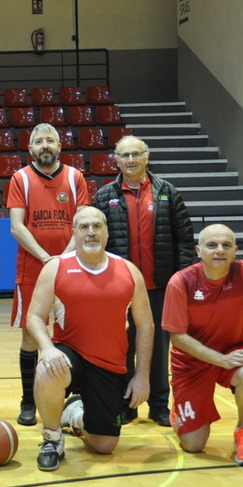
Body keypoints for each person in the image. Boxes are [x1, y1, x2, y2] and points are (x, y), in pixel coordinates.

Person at [26, 206, 154, 471]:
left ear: (107, 232)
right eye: (84, 227)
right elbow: (34, 317)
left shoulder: (129, 271)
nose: (91, 232)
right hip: (70, 354)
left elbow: (146, 325)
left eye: (97, 226)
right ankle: (52, 439)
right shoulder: (56, 267)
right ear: (74, 233)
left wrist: (142, 376)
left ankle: (74, 413)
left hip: (110, 364)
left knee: (104, 446)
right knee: (47, 371)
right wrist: (48, 349)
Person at [163, 223, 243, 466]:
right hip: (190, 363)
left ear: (235, 251)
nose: (219, 250)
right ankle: (178, 411)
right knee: (193, 445)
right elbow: (177, 337)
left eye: (226, 245)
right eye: (212, 245)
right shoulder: (180, 282)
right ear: (199, 251)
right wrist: (219, 359)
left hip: (232, 352)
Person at [93, 135, 196, 427]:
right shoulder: (104, 196)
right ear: (116, 159)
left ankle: (160, 404)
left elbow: (185, 241)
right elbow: (94, 241)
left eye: (135, 154)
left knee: (159, 348)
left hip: (160, 286)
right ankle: (127, 405)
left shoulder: (168, 192)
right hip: (119, 290)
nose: (130, 160)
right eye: (124, 155)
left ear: (146, 158)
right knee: (122, 348)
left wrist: (183, 282)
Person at [7, 123, 91, 427]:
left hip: (72, 269)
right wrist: (46, 258)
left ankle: (77, 395)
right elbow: (17, 226)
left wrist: (62, 259)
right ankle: (28, 399)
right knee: (31, 334)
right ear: (30, 149)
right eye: (39, 141)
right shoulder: (20, 178)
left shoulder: (74, 177)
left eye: (50, 140)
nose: (45, 145)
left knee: (76, 333)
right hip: (33, 270)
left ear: (59, 146)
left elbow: (83, 222)